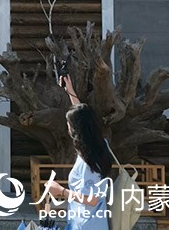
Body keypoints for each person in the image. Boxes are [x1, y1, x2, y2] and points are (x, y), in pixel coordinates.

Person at [46, 74, 113, 230]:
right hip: (88, 223)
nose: (68, 127)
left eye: (69, 124)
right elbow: (83, 118)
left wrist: (61, 191)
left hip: (86, 225)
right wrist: (70, 91)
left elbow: (92, 200)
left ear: (76, 129)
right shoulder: (100, 145)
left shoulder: (88, 163)